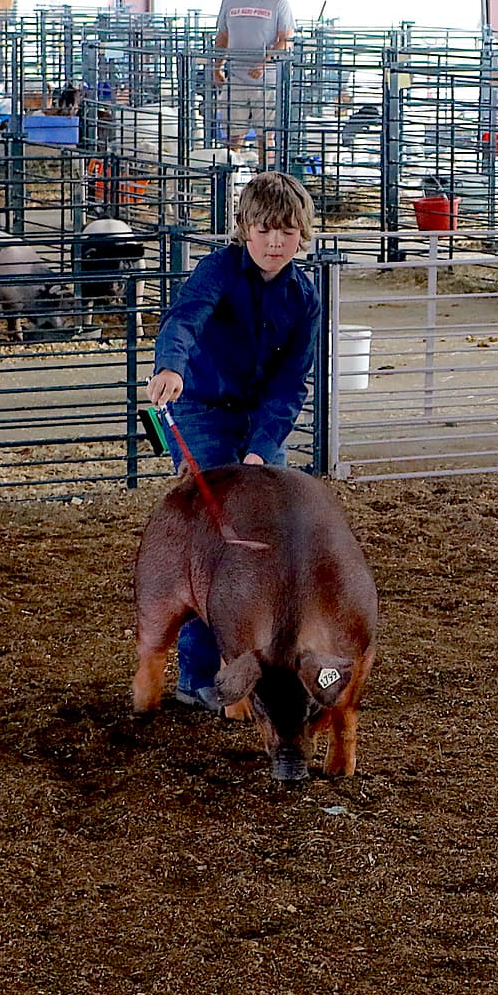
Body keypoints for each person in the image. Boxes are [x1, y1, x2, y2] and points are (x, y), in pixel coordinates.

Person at [143, 171, 320, 710]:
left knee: (273, 539)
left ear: (303, 236)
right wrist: (170, 367)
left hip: (258, 420)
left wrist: (263, 448)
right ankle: (198, 677)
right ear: (243, 228)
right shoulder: (217, 271)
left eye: (287, 232)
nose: (274, 243)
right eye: (265, 230)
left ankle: (269, 666)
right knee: (218, 537)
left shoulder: (304, 297)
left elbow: (292, 383)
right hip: (198, 408)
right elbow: (183, 320)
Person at [212, 0, 296, 162]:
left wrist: (265, 62)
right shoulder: (230, 0)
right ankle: (233, 178)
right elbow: (223, 36)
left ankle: (264, 176)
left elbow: (287, 40)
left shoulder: (279, 2)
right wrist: (217, 66)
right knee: (233, 134)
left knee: (265, 135)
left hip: (267, 80)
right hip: (237, 76)